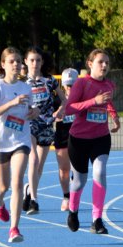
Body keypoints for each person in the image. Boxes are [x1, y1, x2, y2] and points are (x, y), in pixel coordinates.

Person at [0, 47, 39, 243]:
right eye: (12, 61)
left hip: (20, 140)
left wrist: (35, 112)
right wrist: (10, 103)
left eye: (18, 61)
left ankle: (14, 229)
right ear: (4, 64)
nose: (16, 64)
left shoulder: (26, 88)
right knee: (4, 185)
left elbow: (30, 110)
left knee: (17, 183)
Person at [65, 49, 120, 235]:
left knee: (100, 171)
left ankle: (97, 219)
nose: (104, 66)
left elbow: (108, 102)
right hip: (79, 139)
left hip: (101, 138)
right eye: (100, 62)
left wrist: (115, 116)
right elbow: (69, 108)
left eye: (107, 62)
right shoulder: (81, 83)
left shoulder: (110, 85)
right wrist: (93, 101)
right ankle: (73, 210)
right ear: (90, 64)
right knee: (79, 182)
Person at [22, 47, 66, 215]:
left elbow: (64, 99)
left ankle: (28, 189)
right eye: (32, 60)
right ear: (26, 62)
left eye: (38, 60)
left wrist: (60, 110)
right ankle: (34, 200)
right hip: (30, 125)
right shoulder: (21, 83)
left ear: (42, 62)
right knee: (32, 160)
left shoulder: (50, 81)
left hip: (47, 125)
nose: (35, 63)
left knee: (39, 167)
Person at [53, 68, 78, 212]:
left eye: (73, 84)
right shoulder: (57, 99)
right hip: (62, 137)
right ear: (63, 85)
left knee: (77, 170)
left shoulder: (82, 98)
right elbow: (49, 115)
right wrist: (56, 114)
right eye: (68, 85)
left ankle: (74, 197)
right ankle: (66, 196)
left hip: (78, 137)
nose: (70, 88)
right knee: (64, 170)